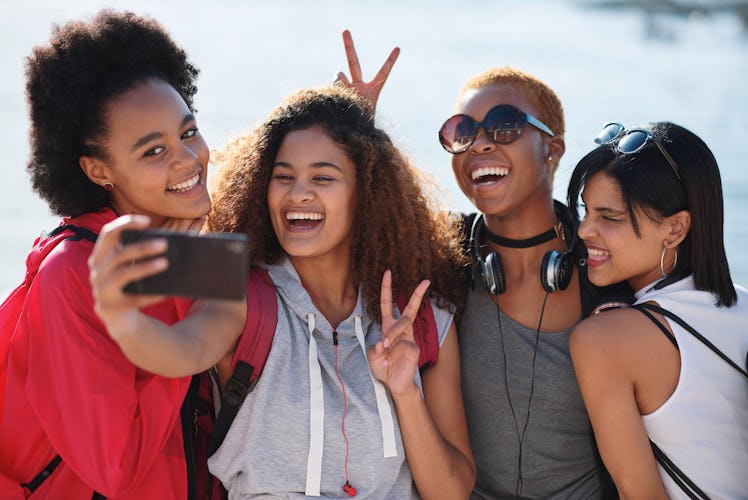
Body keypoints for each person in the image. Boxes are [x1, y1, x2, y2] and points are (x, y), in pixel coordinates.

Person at [90, 85, 476, 499]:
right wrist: (125, 321)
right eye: (284, 177)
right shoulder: (240, 289)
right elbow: (182, 349)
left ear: (366, 193)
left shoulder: (419, 314)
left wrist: (406, 393)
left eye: (323, 177)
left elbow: (451, 493)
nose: (298, 193)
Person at [337, 31, 627, 498]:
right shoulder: (442, 257)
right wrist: (355, 134)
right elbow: (351, 224)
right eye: (463, 132)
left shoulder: (607, 268)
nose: (480, 145)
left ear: (553, 148)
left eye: (505, 126)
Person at [0, 10, 240, 499]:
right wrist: (181, 285)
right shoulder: (71, 274)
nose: (188, 159)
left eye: (188, 132)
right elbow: (116, 467)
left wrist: (351, 134)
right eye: (153, 151)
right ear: (98, 170)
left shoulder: (197, 243)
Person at [567, 121, 748, 499]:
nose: (584, 230)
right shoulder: (743, 304)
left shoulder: (604, 340)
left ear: (675, 229)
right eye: (585, 211)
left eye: (609, 217)